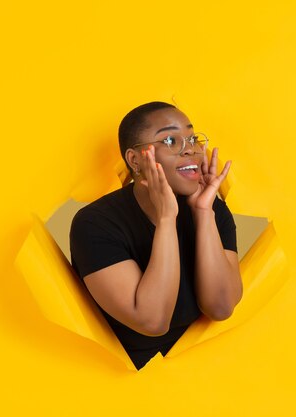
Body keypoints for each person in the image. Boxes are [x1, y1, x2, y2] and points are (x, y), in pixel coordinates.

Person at [69, 102, 242, 369]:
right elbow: (153, 321)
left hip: (206, 372)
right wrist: (165, 219)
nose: (191, 149)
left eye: (193, 138)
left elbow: (220, 307)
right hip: (127, 386)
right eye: (171, 139)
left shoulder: (210, 208)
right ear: (135, 160)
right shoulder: (95, 224)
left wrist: (204, 211)